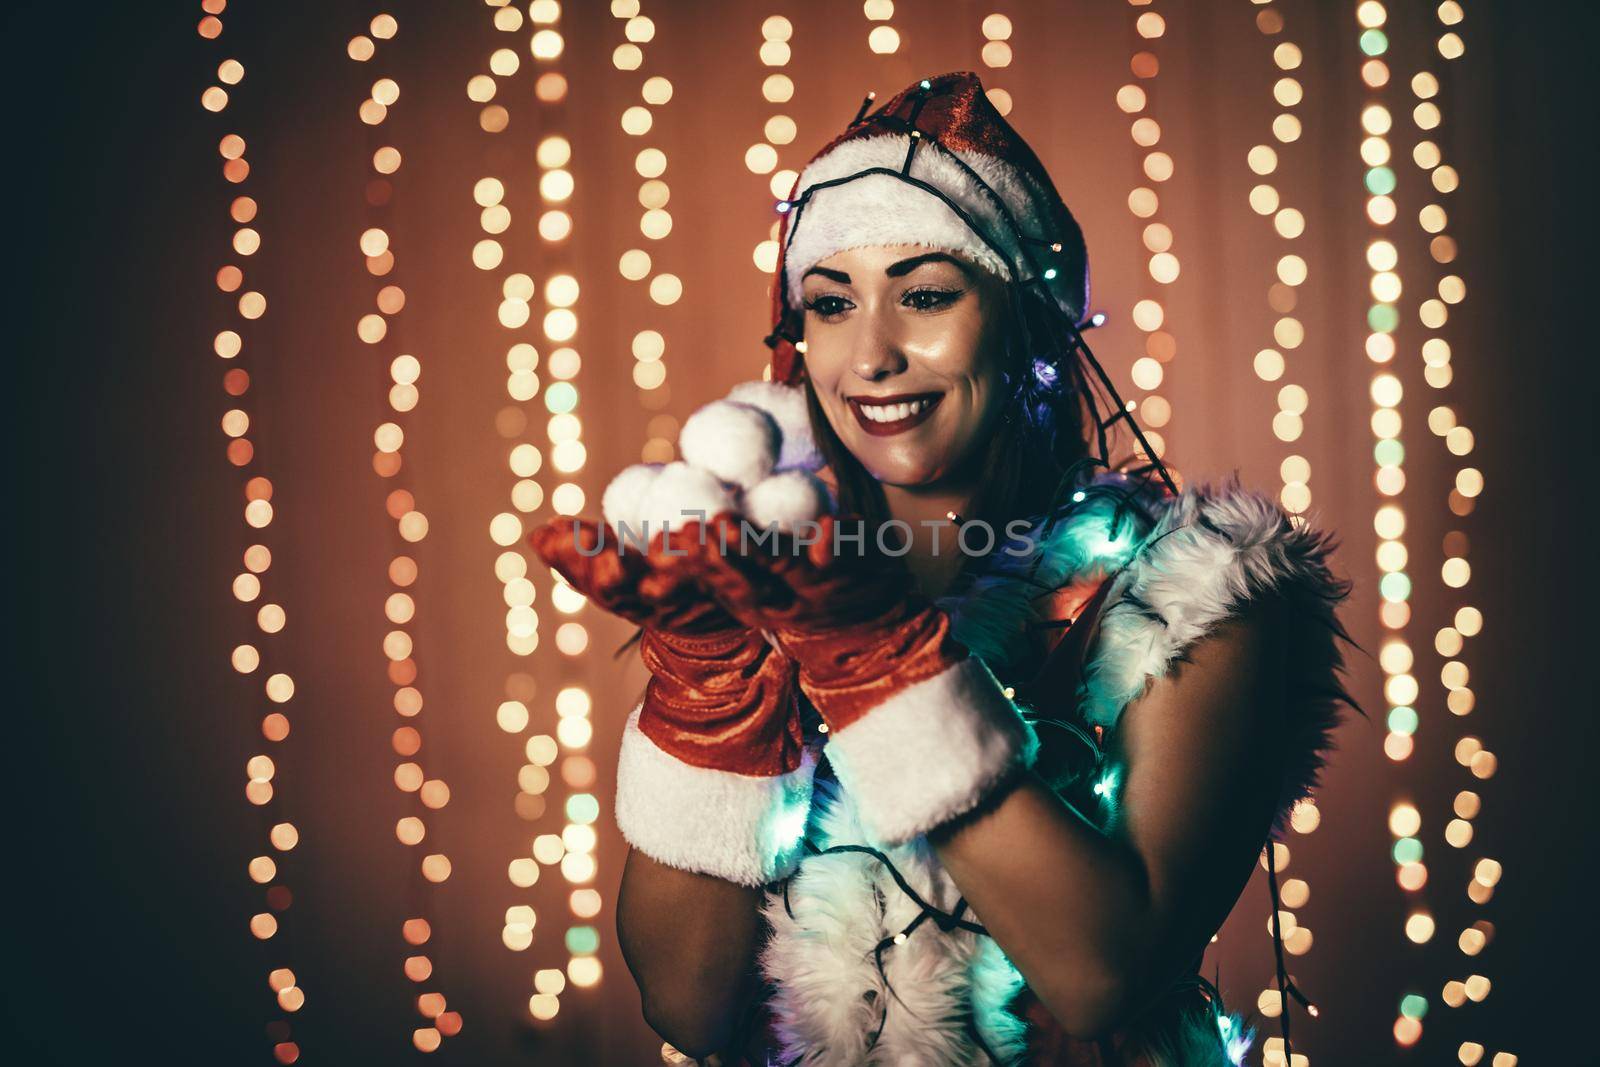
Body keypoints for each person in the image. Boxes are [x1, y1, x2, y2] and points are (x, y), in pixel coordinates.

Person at [530, 71, 1356, 1066]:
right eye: (829, 305)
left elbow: (1100, 975)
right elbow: (686, 1007)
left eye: (923, 294)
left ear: (1026, 322)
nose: (870, 353)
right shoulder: (772, 577)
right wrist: (708, 702)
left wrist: (874, 659)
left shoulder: (1199, 592)